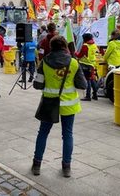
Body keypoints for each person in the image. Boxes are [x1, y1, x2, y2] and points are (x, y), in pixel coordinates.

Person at [32, 36, 87, 178]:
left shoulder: (44, 62)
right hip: (69, 105)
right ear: (65, 46)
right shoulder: (74, 63)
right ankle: (66, 167)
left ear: (52, 47)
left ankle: (37, 164)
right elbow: (83, 85)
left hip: (49, 104)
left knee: (43, 133)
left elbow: (37, 85)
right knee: (67, 134)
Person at [75, 33, 99, 101]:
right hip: (92, 64)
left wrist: (75, 53)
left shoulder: (85, 46)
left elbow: (80, 55)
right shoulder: (94, 45)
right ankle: (95, 94)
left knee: (88, 80)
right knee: (92, 79)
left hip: (86, 64)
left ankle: (88, 96)